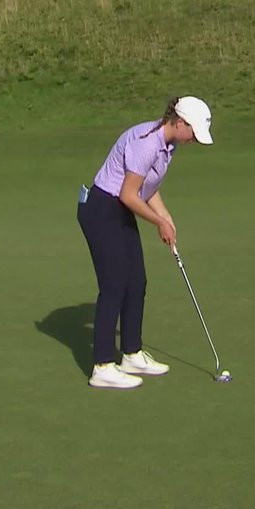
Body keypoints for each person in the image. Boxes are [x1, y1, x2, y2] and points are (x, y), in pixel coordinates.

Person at [77, 96, 214, 389]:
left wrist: (166, 217)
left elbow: (147, 188)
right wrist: (158, 222)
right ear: (180, 122)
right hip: (102, 209)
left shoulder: (168, 145)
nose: (194, 140)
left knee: (136, 282)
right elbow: (128, 194)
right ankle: (102, 366)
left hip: (119, 209)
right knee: (114, 285)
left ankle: (131, 354)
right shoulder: (147, 143)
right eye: (193, 133)